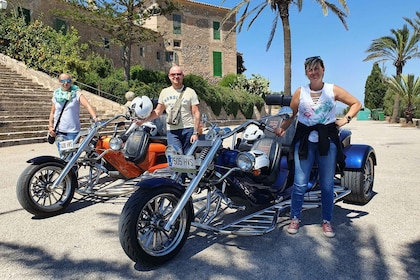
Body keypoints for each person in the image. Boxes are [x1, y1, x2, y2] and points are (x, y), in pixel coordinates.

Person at [274, 56, 361, 238]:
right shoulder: (300, 92)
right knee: (299, 183)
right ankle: (295, 217)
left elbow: (356, 103)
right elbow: (291, 114)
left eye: (316, 68)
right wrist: (281, 129)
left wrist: (345, 120)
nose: (313, 72)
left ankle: (327, 221)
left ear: (323, 69)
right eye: (309, 69)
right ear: (306, 72)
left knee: (327, 184)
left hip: (327, 141)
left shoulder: (332, 89)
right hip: (304, 141)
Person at [138, 65, 200, 154]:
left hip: (188, 129)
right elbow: (158, 111)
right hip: (172, 131)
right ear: (169, 76)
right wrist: (143, 120)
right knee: (174, 156)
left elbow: (196, 112)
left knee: (188, 158)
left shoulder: (190, 92)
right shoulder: (164, 92)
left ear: (183, 76)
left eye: (179, 74)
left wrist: (195, 133)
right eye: (173, 74)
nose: (176, 77)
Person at [48, 73, 100, 156]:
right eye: (63, 81)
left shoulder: (76, 94)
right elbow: (52, 112)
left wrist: (95, 117)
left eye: (68, 81)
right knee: (63, 156)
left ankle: (72, 169)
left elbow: (87, 105)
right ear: (59, 82)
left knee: (71, 157)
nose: (65, 83)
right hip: (59, 132)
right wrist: (50, 126)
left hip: (72, 132)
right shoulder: (56, 95)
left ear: (71, 82)